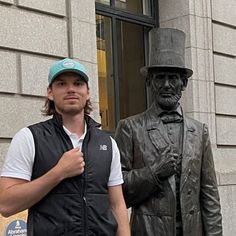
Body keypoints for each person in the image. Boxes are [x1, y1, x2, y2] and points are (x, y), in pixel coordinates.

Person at [0, 58, 130, 236]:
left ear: (87, 92)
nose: (71, 89)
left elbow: (117, 205)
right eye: (62, 84)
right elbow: (6, 205)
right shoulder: (29, 138)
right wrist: (59, 172)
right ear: (50, 92)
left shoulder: (107, 143)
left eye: (78, 83)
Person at [115, 28, 222, 236]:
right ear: (149, 82)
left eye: (173, 78)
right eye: (159, 77)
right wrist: (154, 172)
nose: (166, 85)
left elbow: (210, 196)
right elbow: (117, 192)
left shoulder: (199, 132)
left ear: (184, 83)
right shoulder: (130, 128)